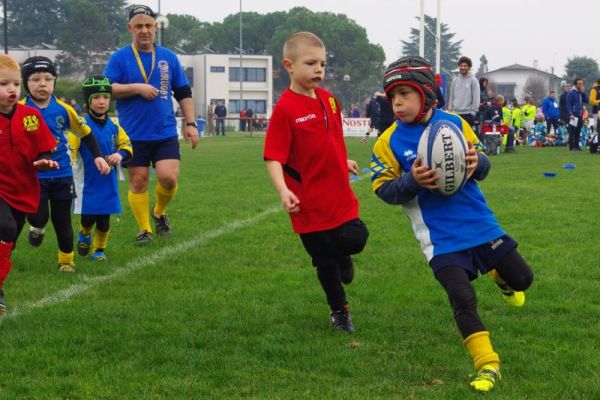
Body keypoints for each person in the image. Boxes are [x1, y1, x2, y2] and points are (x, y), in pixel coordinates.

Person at [370, 55, 534, 392]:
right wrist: (413, 180)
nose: (398, 103)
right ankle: (487, 365)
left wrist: (479, 162)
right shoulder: (386, 142)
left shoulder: (455, 124)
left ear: (427, 94)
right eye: (393, 97)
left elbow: (481, 167)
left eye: (405, 94)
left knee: (523, 279)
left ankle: (500, 276)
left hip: (478, 223)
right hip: (439, 238)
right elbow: (384, 191)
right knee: (462, 297)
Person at [263, 32, 369, 333]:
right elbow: (273, 158)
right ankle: (340, 311)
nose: (318, 69)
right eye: (310, 63)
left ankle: (344, 257)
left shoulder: (330, 101)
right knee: (323, 261)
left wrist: (342, 161)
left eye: (322, 63)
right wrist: (283, 191)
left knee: (355, 237)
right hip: (305, 202)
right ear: (289, 65)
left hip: (337, 193)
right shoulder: (285, 109)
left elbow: (332, 139)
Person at [104, 4, 199, 245]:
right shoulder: (119, 58)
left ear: (155, 27)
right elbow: (106, 89)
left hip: (164, 131)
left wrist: (191, 123)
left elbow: (183, 91)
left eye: (148, 25)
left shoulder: (168, 57)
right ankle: (144, 229)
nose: (144, 30)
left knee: (169, 179)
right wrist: (137, 88)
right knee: (139, 181)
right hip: (132, 134)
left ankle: (158, 213)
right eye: (139, 26)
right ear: (130, 28)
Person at [21, 56, 110, 272]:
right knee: (39, 216)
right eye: (35, 79)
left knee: (63, 222)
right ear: (26, 83)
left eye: (48, 79)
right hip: (33, 175)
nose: (42, 83)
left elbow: (86, 134)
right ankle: (37, 228)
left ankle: (66, 261)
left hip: (62, 173)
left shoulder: (64, 109)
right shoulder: (19, 109)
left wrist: (98, 155)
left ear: (54, 81)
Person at [0, 54, 58, 314]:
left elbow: (43, 148)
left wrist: (44, 161)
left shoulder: (30, 116)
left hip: (22, 189)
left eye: (14, 84)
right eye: (3, 84)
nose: (11, 89)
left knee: (8, 240)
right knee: (5, 227)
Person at [70, 75, 133, 262]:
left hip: (108, 181)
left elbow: (127, 145)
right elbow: (70, 151)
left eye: (105, 98)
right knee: (88, 218)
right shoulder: (80, 125)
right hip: (87, 182)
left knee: (104, 221)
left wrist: (119, 155)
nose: (101, 102)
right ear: (89, 101)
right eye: (96, 98)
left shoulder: (114, 125)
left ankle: (99, 250)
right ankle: (84, 234)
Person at [448, 56, 480, 129]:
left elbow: (476, 97)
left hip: (468, 114)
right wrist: (450, 110)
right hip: (455, 114)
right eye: (461, 66)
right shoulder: (455, 80)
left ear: (469, 67)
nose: (462, 68)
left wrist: (473, 112)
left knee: (467, 139)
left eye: (465, 66)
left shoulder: (473, 80)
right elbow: (451, 96)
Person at [566, 78, 589, 151]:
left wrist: (583, 92)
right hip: (574, 115)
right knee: (572, 131)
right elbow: (568, 104)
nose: (581, 85)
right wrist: (570, 114)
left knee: (578, 131)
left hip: (580, 114)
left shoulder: (580, 93)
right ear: (576, 84)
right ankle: (571, 147)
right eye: (579, 84)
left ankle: (577, 146)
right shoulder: (572, 93)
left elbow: (586, 100)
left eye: (582, 83)